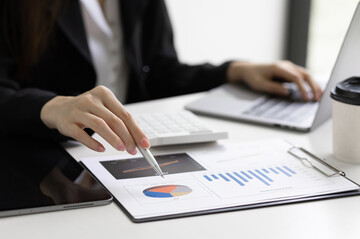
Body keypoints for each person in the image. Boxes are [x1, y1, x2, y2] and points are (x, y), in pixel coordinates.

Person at [0, 0, 322, 155]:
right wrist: (52, 108)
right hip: (51, 160)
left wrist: (234, 71)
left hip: (128, 153)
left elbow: (161, 72)